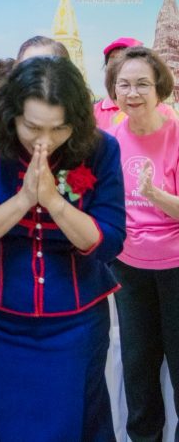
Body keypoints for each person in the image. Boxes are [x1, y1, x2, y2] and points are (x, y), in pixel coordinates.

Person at [0, 55, 125, 441]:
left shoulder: (101, 148)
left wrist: (55, 202)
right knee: (2, 423)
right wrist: (24, 200)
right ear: (11, 114)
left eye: (58, 129)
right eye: (31, 127)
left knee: (73, 421)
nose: (44, 141)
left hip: (76, 321)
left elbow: (109, 241)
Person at [103, 46, 179, 442]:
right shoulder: (110, 140)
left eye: (142, 84)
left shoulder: (176, 135)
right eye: (124, 85)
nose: (132, 93)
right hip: (129, 269)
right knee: (138, 367)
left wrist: (154, 194)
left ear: (160, 88)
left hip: (175, 268)